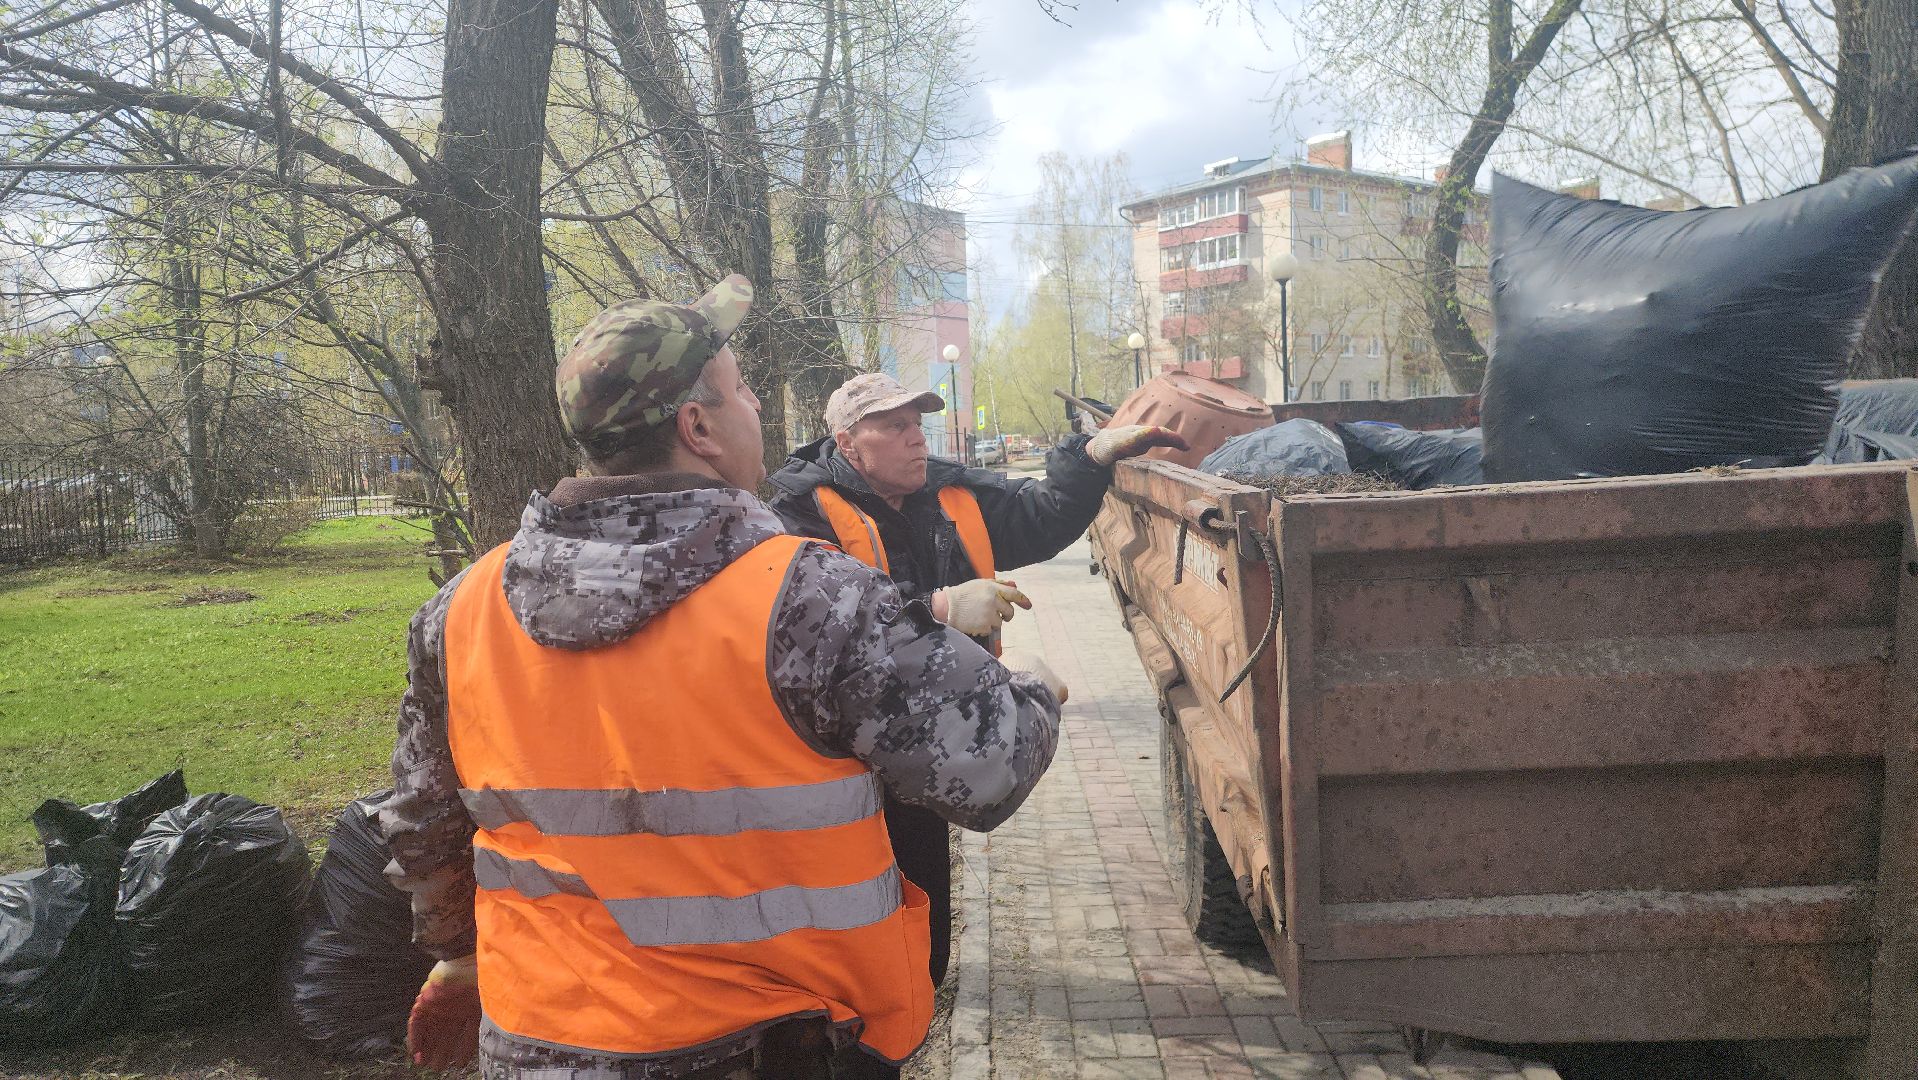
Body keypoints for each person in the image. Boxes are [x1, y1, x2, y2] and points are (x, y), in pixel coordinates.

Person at [378, 276, 1065, 1079]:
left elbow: (424, 827)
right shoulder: (811, 599)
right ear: (696, 427)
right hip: (776, 1047)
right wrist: (1037, 691)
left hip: (542, 1044)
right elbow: (987, 770)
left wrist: (459, 956)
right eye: (742, 390)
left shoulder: (462, 610)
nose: (759, 409)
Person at [766, 372, 1186, 987]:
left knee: (925, 913)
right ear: (848, 442)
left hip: (931, 741)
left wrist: (1089, 457)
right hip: (843, 763)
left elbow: (1037, 516)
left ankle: (920, 994)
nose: (916, 438)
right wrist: (937, 608)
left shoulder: (946, 493)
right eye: (895, 426)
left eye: (918, 423)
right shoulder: (799, 514)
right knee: (855, 918)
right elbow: (813, 631)